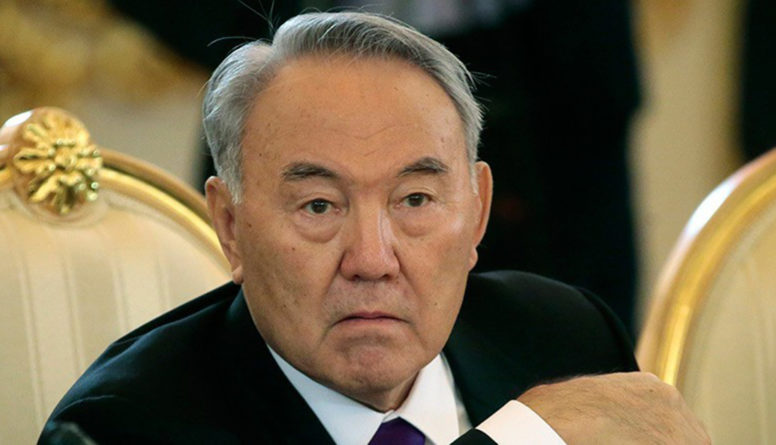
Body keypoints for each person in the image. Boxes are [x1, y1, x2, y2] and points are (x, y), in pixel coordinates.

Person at [42, 11, 708, 444]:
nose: (371, 259)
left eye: (415, 200)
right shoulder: (123, 427)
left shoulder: (564, 335)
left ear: (477, 209)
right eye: (319, 207)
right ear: (232, 225)